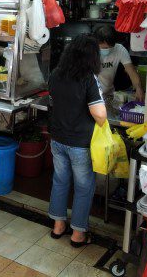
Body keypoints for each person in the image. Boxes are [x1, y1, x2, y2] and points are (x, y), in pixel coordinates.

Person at [47, 34, 107, 247]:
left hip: (57, 138)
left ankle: (58, 226)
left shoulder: (55, 74)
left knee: (60, 181)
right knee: (83, 187)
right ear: (92, 57)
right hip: (80, 143)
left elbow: (53, 101)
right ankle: (78, 234)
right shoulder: (88, 79)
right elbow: (99, 114)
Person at [95, 25, 144, 102]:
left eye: (110, 48)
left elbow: (131, 71)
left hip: (109, 94)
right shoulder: (90, 50)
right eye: (104, 48)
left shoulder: (119, 49)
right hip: (93, 95)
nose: (107, 50)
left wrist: (138, 88)